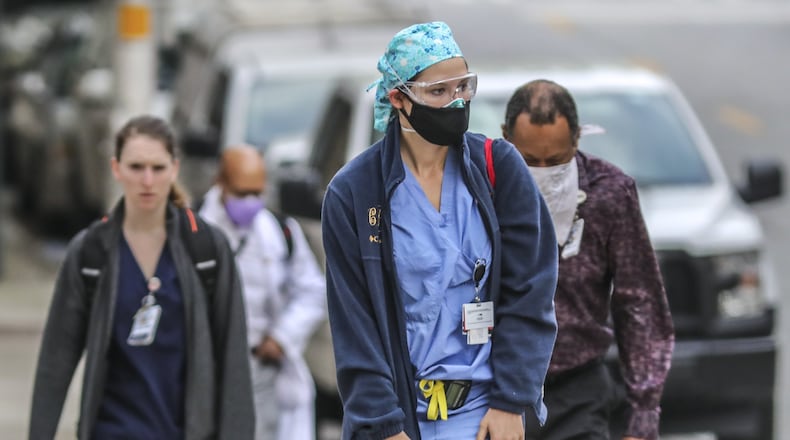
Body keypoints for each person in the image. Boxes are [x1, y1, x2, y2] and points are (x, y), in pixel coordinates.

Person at [321, 21, 559, 440]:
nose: (455, 102)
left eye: (463, 87)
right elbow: (354, 325)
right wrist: (382, 426)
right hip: (401, 421)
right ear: (399, 98)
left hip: (486, 414)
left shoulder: (498, 168)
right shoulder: (354, 193)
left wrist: (510, 400)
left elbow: (532, 291)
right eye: (438, 92)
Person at [28, 115, 254, 439]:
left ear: (174, 169)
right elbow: (55, 359)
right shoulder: (91, 253)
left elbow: (233, 361)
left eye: (158, 168)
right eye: (136, 167)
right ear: (116, 168)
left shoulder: (206, 250)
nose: (147, 180)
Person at [501, 79, 674, 440]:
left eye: (557, 161)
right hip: (497, 392)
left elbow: (639, 302)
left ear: (577, 139)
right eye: (530, 161)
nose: (544, 172)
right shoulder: (479, 187)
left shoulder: (609, 193)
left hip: (577, 390)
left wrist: (643, 412)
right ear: (506, 138)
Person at [199, 145, 327, 440]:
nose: (251, 202)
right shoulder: (192, 229)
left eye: (257, 193)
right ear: (221, 184)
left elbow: (312, 291)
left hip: (259, 367)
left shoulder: (279, 233)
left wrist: (281, 338)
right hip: (205, 369)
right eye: (242, 193)